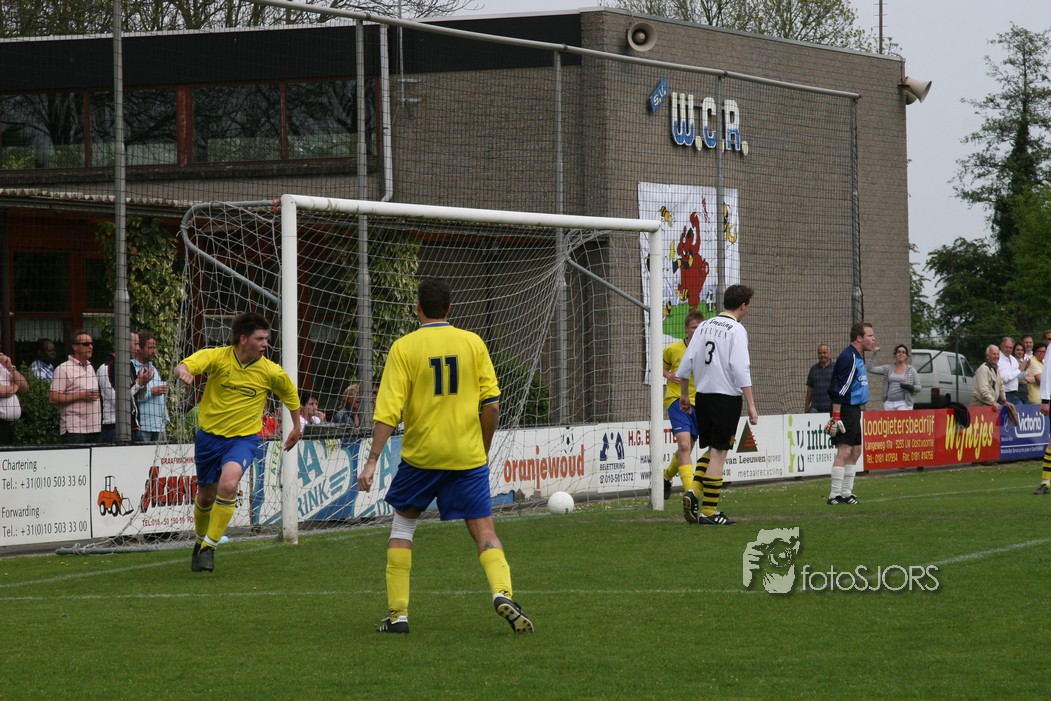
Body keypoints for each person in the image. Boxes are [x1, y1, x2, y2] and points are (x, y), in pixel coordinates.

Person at [356, 278, 533, 634]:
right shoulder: (473, 343)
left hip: (421, 457)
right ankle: (502, 592)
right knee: (484, 530)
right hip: (466, 457)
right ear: (450, 308)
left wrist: (372, 459)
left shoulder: (404, 348)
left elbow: (387, 412)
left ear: (418, 308)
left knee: (403, 526)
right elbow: (492, 406)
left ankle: (398, 615)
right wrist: (481, 449)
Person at [173, 312, 302, 573]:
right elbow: (184, 366)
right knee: (206, 497)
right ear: (243, 339)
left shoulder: (270, 371)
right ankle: (200, 542)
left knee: (229, 484)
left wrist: (297, 426)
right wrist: (183, 372)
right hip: (209, 438)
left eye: (267, 339)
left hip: (243, 439)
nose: (265, 344)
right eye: (260, 339)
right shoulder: (218, 357)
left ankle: (209, 548)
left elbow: (290, 395)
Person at [676, 284, 758, 526]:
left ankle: (693, 492)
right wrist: (751, 404)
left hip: (703, 396)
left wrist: (684, 394)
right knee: (720, 454)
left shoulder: (704, 326)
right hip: (726, 398)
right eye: (747, 306)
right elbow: (740, 368)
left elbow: (687, 362)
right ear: (742, 306)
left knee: (712, 450)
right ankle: (709, 512)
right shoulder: (737, 330)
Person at [825, 322, 877, 505]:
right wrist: (836, 416)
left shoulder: (857, 356)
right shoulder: (849, 357)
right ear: (859, 338)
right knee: (844, 450)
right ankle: (834, 495)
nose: (873, 339)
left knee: (856, 451)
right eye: (870, 335)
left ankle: (846, 493)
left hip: (854, 408)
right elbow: (840, 388)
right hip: (846, 408)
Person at [660, 311, 705, 500]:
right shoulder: (673, 349)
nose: (697, 331)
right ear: (686, 329)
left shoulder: (707, 350)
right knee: (684, 445)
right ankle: (691, 496)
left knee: (685, 449)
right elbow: (662, 366)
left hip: (699, 403)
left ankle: (666, 477)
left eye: (700, 328)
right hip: (677, 400)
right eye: (694, 327)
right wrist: (668, 375)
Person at [98, 331, 151, 443]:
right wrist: (138, 383)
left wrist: (143, 383)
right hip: (114, 427)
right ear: (124, 344)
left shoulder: (129, 366)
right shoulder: (107, 367)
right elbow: (117, 400)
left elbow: (138, 398)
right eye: (136, 344)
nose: (138, 349)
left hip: (134, 427)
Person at [49, 330, 102, 444]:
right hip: (74, 429)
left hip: (95, 428)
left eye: (91, 343)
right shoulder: (63, 369)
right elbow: (53, 398)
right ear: (75, 347)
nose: (91, 347)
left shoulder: (90, 367)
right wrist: (81, 395)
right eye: (86, 344)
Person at [134, 331, 169, 442]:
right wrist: (151, 392)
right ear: (139, 348)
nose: (153, 351)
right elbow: (130, 397)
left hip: (159, 425)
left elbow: (160, 397)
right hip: (143, 426)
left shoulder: (153, 368)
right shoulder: (132, 367)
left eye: (154, 348)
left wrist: (166, 417)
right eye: (150, 348)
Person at [867, 344, 922, 410]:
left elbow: (919, 388)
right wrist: (874, 353)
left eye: (903, 352)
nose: (901, 353)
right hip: (889, 403)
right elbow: (870, 369)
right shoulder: (888, 368)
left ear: (906, 356)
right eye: (899, 352)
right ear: (895, 355)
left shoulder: (911, 370)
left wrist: (908, 386)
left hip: (904, 404)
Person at [0, 350, 29, 445]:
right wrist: (16, 386)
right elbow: (3, 392)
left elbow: (25, 387)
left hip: (10, 426)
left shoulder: (4, 366)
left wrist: (10, 367)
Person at [972, 344, 1008, 409]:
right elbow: (984, 390)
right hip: (980, 404)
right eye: (994, 354)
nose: (996, 356)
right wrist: (993, 402)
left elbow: (1001, 386)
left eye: (997, 354)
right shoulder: (983, 369)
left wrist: (1004, 400)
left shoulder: (996, 368)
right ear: (987, 356)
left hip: (990, 404)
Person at [997, 336, 1026, 407]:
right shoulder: (998, 359)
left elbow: (1018, 378)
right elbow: (1004, 378)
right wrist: (1019, 370)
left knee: (1018, 411)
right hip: (1004, 394)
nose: (1008, 349)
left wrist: (1024, 369)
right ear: (1001, 347)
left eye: (1010, 348)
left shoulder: (1013, 359)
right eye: (1006, 347)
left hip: (1015, 393)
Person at [804, 343, 834, 413]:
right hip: (815, 408)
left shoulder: (835, 368)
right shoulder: (813, 369)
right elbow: (810, 389)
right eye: (820, 353)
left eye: (824, 353)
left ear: (830, 354)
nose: (822, 355)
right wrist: (806, 405)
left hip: (831, 407)